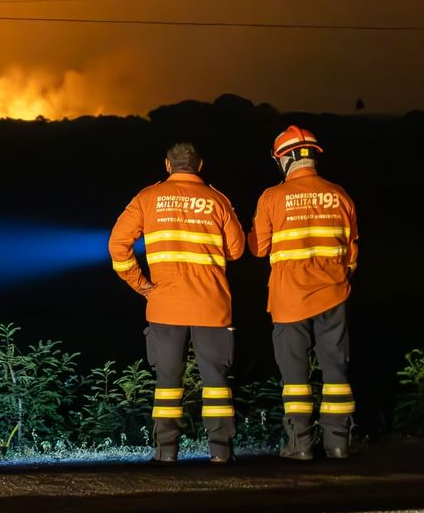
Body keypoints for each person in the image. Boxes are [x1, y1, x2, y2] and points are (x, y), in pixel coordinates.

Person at [108, 142, 247, 463]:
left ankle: (166, 452)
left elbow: (117, 245)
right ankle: (221, 453)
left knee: (167, 381)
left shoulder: (147, 198)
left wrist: (141, 285)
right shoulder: (217, 199)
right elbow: (237, 250)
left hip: (165, 305)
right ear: (200, 166)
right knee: (216, 381)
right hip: (212, 305)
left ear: (167, 165)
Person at [248, 125, 359, 460]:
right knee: (336, 371)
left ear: (285, 158)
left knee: (295, 376)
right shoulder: (340, 194)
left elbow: (257, 247)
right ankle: (338, 443)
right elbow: (351, 249)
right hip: (333, 293)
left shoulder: (272, 197)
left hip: (289, 298)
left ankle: (300, 446)